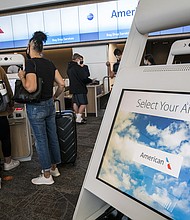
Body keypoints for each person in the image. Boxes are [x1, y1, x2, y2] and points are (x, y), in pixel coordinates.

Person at [18, 31, 65, 185]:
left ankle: (46, 176)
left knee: (41, 140)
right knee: (52, 136)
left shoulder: (31, 63)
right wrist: (54, 97)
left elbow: (31, 88)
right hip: (49, 105)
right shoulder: (49, 63)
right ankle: (54, 168)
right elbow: (62, 84)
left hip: (36, 108)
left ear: (30, 47)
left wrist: (22, 77)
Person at [0, 67, 20, 171]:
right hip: (1, 113)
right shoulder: (0, 70)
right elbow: (7, 88)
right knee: (5, 138)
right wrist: (11, 105)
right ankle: (8, 162)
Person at [67, 53, 92, 124]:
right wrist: (83, 68)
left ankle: (77, 116)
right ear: (77, 59)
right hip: (80, 88)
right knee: (83, 103)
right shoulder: (78, 68)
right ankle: (78, 117)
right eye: (81, 60)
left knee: (75, 103)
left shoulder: (69, 68)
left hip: (73, 88)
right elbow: (85, 77)